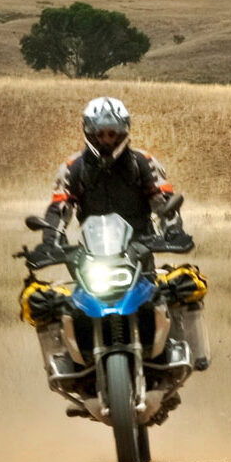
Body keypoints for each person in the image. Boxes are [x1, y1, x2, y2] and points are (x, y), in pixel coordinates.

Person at [28, 96, 208, 372]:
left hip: (139, 248)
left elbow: (163, 199)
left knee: (173, 290)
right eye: (100, 133)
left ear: (123, 131)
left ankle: (177, 350)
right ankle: (70, 360)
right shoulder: (73, 167)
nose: (106, 139)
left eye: (112, 133)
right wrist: (49, 241)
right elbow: (60, 206)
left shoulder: (143, 162)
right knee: (56, 303)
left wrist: (173, 229)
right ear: (89, 132)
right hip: (93, 252)